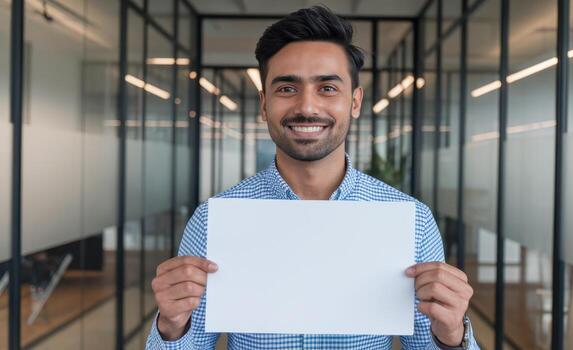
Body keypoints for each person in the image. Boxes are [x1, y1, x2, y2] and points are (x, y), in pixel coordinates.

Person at [146, 6, 478, 350]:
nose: (307, 106)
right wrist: (170, 327)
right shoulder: (214, 219)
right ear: (264, 104)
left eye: (328, 88)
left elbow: (430, 342)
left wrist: (453, 336)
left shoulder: (412, 221)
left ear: (355, 101)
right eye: (287, 88)